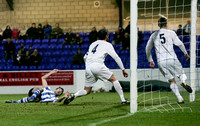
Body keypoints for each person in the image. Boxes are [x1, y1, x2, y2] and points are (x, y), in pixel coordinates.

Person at [64, 29, 129, 105]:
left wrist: (89, 65)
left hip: (88, 67)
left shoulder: (93, 44)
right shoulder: (108, 44)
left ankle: (74, 95)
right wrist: (123, 69)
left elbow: (85, 57)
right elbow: (116, 57)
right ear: (106, 36)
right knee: (114, 79)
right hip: (97, 65)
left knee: (87, 90)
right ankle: (123, 100)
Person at [145, 17, 192, 104]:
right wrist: (185, 53)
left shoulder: (153, 35)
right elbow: (180, 44)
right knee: (181, 74)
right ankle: (183, 81)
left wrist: (150, 60)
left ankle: (179, 98)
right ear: (166, 24)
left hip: (161, 61)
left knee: (171, 80)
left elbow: (147, 48)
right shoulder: (171, 33)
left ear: (158, 25)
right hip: (172, 58)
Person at [5, 69, 70, 103]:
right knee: (41, 89)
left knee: (32, 99)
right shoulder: (48, 89)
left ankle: (15, 102)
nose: (59, 91)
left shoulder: (55, 98)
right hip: (33, 92)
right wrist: (52, 72)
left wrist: (64, 96)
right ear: (55, 89)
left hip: (39, 100)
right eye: (59, 89)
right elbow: (43, 78)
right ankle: (32, 98)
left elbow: (57, 101)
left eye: (61, 92)